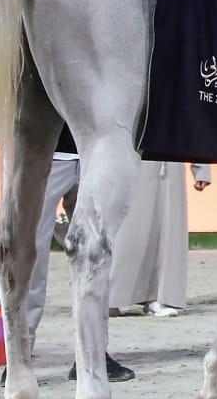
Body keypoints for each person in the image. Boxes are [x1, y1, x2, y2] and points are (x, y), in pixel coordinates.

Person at [21, 125, 136, 382]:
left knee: (97, 255)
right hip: (44, 153)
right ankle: (20, 353)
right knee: (31, 257)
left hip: (94, 154)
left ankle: (94, 351)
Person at [110, 162, 209, 316]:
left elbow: (196, 136)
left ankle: (158, 298)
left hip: (170, 161)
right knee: (127, 231)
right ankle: (110, 297)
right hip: (130, 157)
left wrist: (202, 168)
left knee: (167, 229)